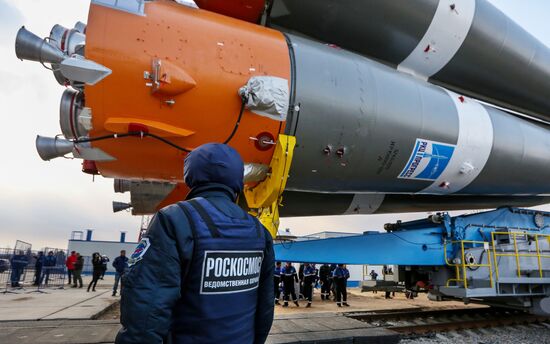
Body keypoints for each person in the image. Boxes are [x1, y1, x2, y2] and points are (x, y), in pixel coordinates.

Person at [116, 143, 275, 344]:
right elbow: (265, 307)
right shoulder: (258, 231)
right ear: (237, 178)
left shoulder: (174, 220)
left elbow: (146, 307)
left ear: (191, 175)